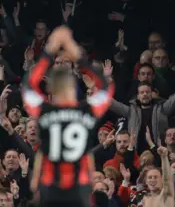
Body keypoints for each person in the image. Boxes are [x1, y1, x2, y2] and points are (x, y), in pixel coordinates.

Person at [22, 26, 113, 207]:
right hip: (79, 188)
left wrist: (49, 50)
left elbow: (27, 85)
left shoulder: (44, 112)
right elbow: (106, 87)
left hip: (50, 188)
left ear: (51, 89)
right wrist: (78, 57)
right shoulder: (86, 111)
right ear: (73, 87)